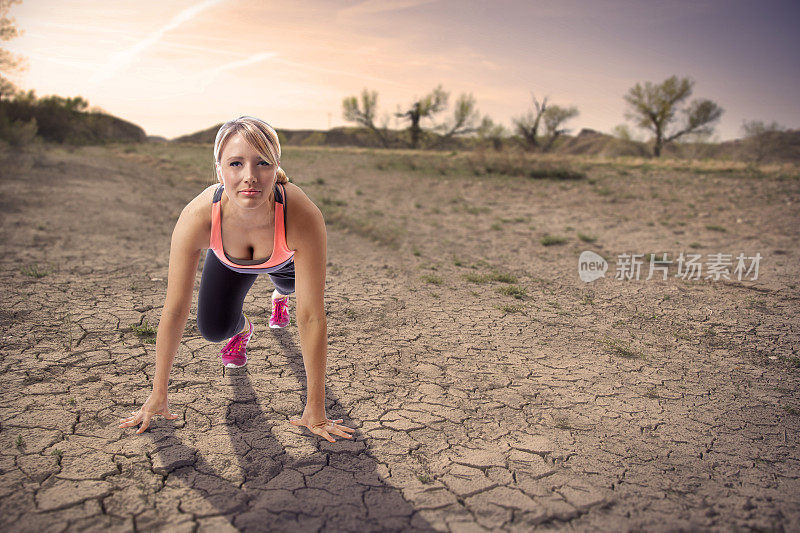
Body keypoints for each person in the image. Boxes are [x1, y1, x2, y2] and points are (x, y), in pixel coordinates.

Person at [119, 116, 355, 443]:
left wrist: (315, 409)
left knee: (289, 288)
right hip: (231, 261)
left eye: (262, 163)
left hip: (285, 258)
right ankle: (244, 329)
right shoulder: (197, 217)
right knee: (213, 329)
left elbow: (312, 315)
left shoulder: (301, 214)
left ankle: (278, 298)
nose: (249, 177)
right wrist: (158, 394)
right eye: (235, 163)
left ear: (276, 168)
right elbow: (174, 310)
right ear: (219, 170)